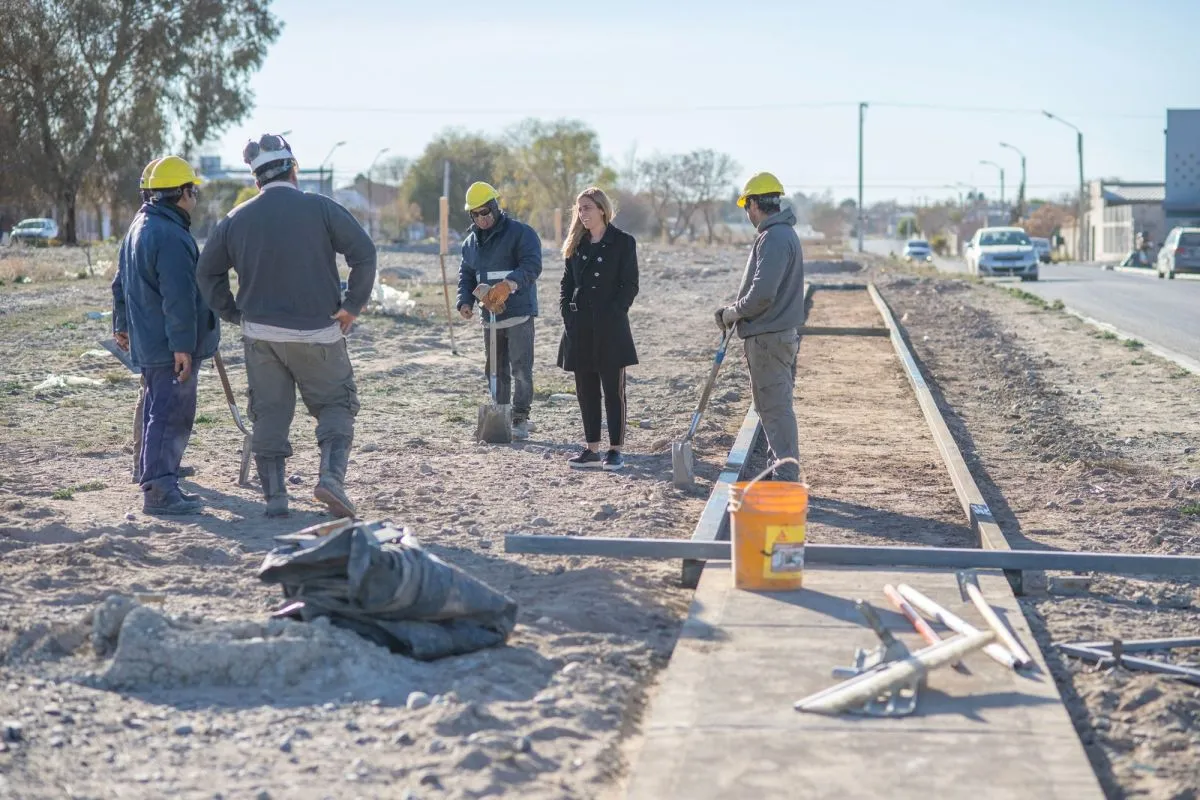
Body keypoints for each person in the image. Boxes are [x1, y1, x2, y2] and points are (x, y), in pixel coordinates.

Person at [196, 133, 376, 519]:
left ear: (255, 180)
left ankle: (276, 498)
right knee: (336, 405)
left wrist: (233, 313)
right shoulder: (321, 208)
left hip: (260, 335)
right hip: (319, 333)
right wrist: (352, 306)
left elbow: (207, 272)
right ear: (293, 169)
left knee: (270, 414)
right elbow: (364, 253)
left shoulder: (235, 219)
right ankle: (330, 479)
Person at [111, 156, 218, 515]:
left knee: (156, 408)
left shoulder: (141, 225)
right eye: (194, 192)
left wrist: (121, 324)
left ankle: (158, 473)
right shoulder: (170, 235)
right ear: (182, 193)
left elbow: (119, 283)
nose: (195, 198)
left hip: (149, 338)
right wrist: (183, 346)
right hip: (168, 344)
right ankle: (159, 490)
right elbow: (178, 298)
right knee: (170, 413)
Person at [714, 172, 805, 482]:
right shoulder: (782, 234)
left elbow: (762, 295)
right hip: (775, 335)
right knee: (771, 407)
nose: (747, 212)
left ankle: (785, 476)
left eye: (746, 206)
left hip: (769, 338)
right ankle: (777, 470)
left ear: (753, 204)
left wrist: (732, 312)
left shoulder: (774, 238)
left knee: (775, 408)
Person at [556, 187, 639, 470]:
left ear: (602, 209)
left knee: (613, 391)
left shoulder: (623, 242)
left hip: (610, 327)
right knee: (586, 390)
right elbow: (566, 283)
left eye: (588, 207)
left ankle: (615, 449)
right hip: (579, 327)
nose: (583, 213)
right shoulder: (576, 243)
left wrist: (615, 313)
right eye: (579, 209)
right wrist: (567, 311)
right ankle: (591, 448)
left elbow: (630, 285)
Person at [456, 182, 543, 440]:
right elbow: (467, 275)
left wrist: (509, 284)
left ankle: (520, 417)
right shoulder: (470, 244)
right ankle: (501, 415)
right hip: (490, 318)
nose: (481, 218)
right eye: (475, 214)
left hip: (518, 314)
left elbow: (532, 265)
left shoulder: (521, 233)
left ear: (495, 206)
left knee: (521, 369)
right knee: (495, 370)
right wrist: (464, 302)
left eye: (485, 212)